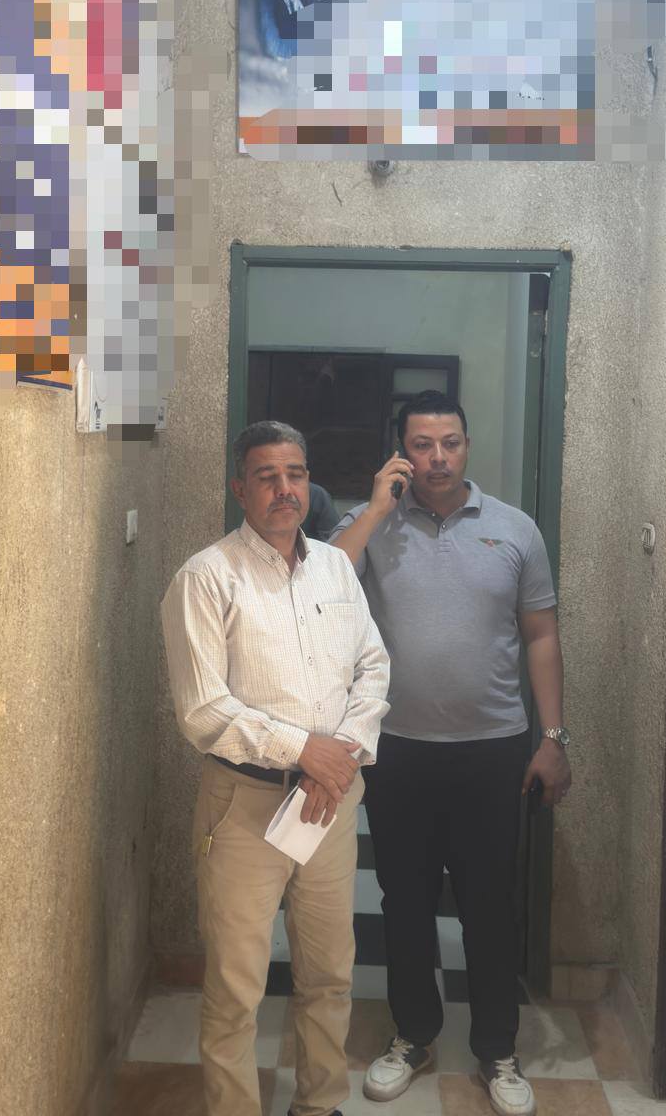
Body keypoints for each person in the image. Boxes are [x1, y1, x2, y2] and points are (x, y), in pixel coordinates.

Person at [330, 390, 571, 1116]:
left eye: (451, 443)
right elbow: (319, 584)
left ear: (467, 445)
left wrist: (553, 738)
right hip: (398, 751)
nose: (438, 458)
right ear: (400, 450)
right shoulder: (371, 524)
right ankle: (414, 1034)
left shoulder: (515, 530)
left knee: (490, 906)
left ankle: (497, 1047)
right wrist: (377, 508)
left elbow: (541, 636)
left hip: (493, 752)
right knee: (403, 902)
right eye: (422, 444)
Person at [162, 420, 390, 1116]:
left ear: (308, 482)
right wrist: (301, 750)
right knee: (236, 989)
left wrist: (338, 754)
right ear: (241, 489)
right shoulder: (206, 578)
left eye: (295, 474)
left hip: (329, 802)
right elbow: (203, 709)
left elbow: (373, 667)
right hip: (245, 806)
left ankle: (319, 1104)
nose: (284, 489)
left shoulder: (334, 569)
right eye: (267, 477)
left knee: (330, 973)